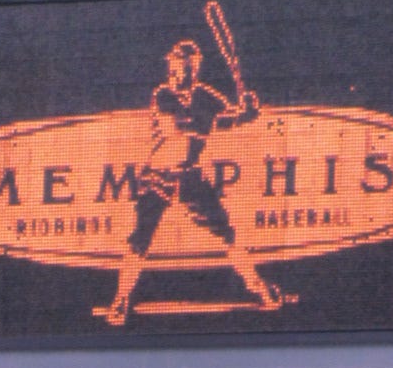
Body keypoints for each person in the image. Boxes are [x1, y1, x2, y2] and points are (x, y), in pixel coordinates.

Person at [103, 38, 281, 325]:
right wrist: (230, 117)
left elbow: (227, 121)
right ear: (171, 66)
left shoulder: (206, 97)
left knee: (227, 235)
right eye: (181, 66)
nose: (186, 72)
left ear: (196, 68)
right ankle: (121, 300)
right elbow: (182, 128)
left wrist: (247, 113)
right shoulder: (162, 95)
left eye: (191, 67)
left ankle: (258, 287)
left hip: (191, 177)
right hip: (157, 177)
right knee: (139, 241)